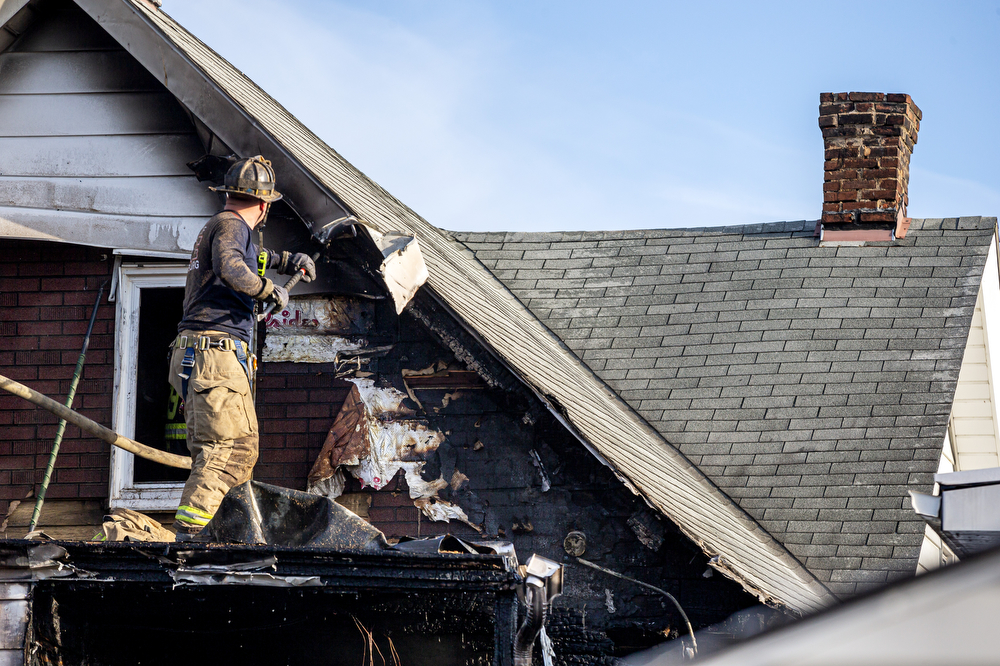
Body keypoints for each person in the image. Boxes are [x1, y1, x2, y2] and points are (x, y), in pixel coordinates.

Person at [167, 156, 316, 540]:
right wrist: (270, 289)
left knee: (234, 452)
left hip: (199, 357)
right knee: (229, 449)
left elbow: (249, 260)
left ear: (229, 194)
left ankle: (216, 536)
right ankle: (192, 539)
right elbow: (233, 268)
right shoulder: (232, 227)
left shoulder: (222, 226)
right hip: (215, 356)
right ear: (265, 205)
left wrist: (286, 261)